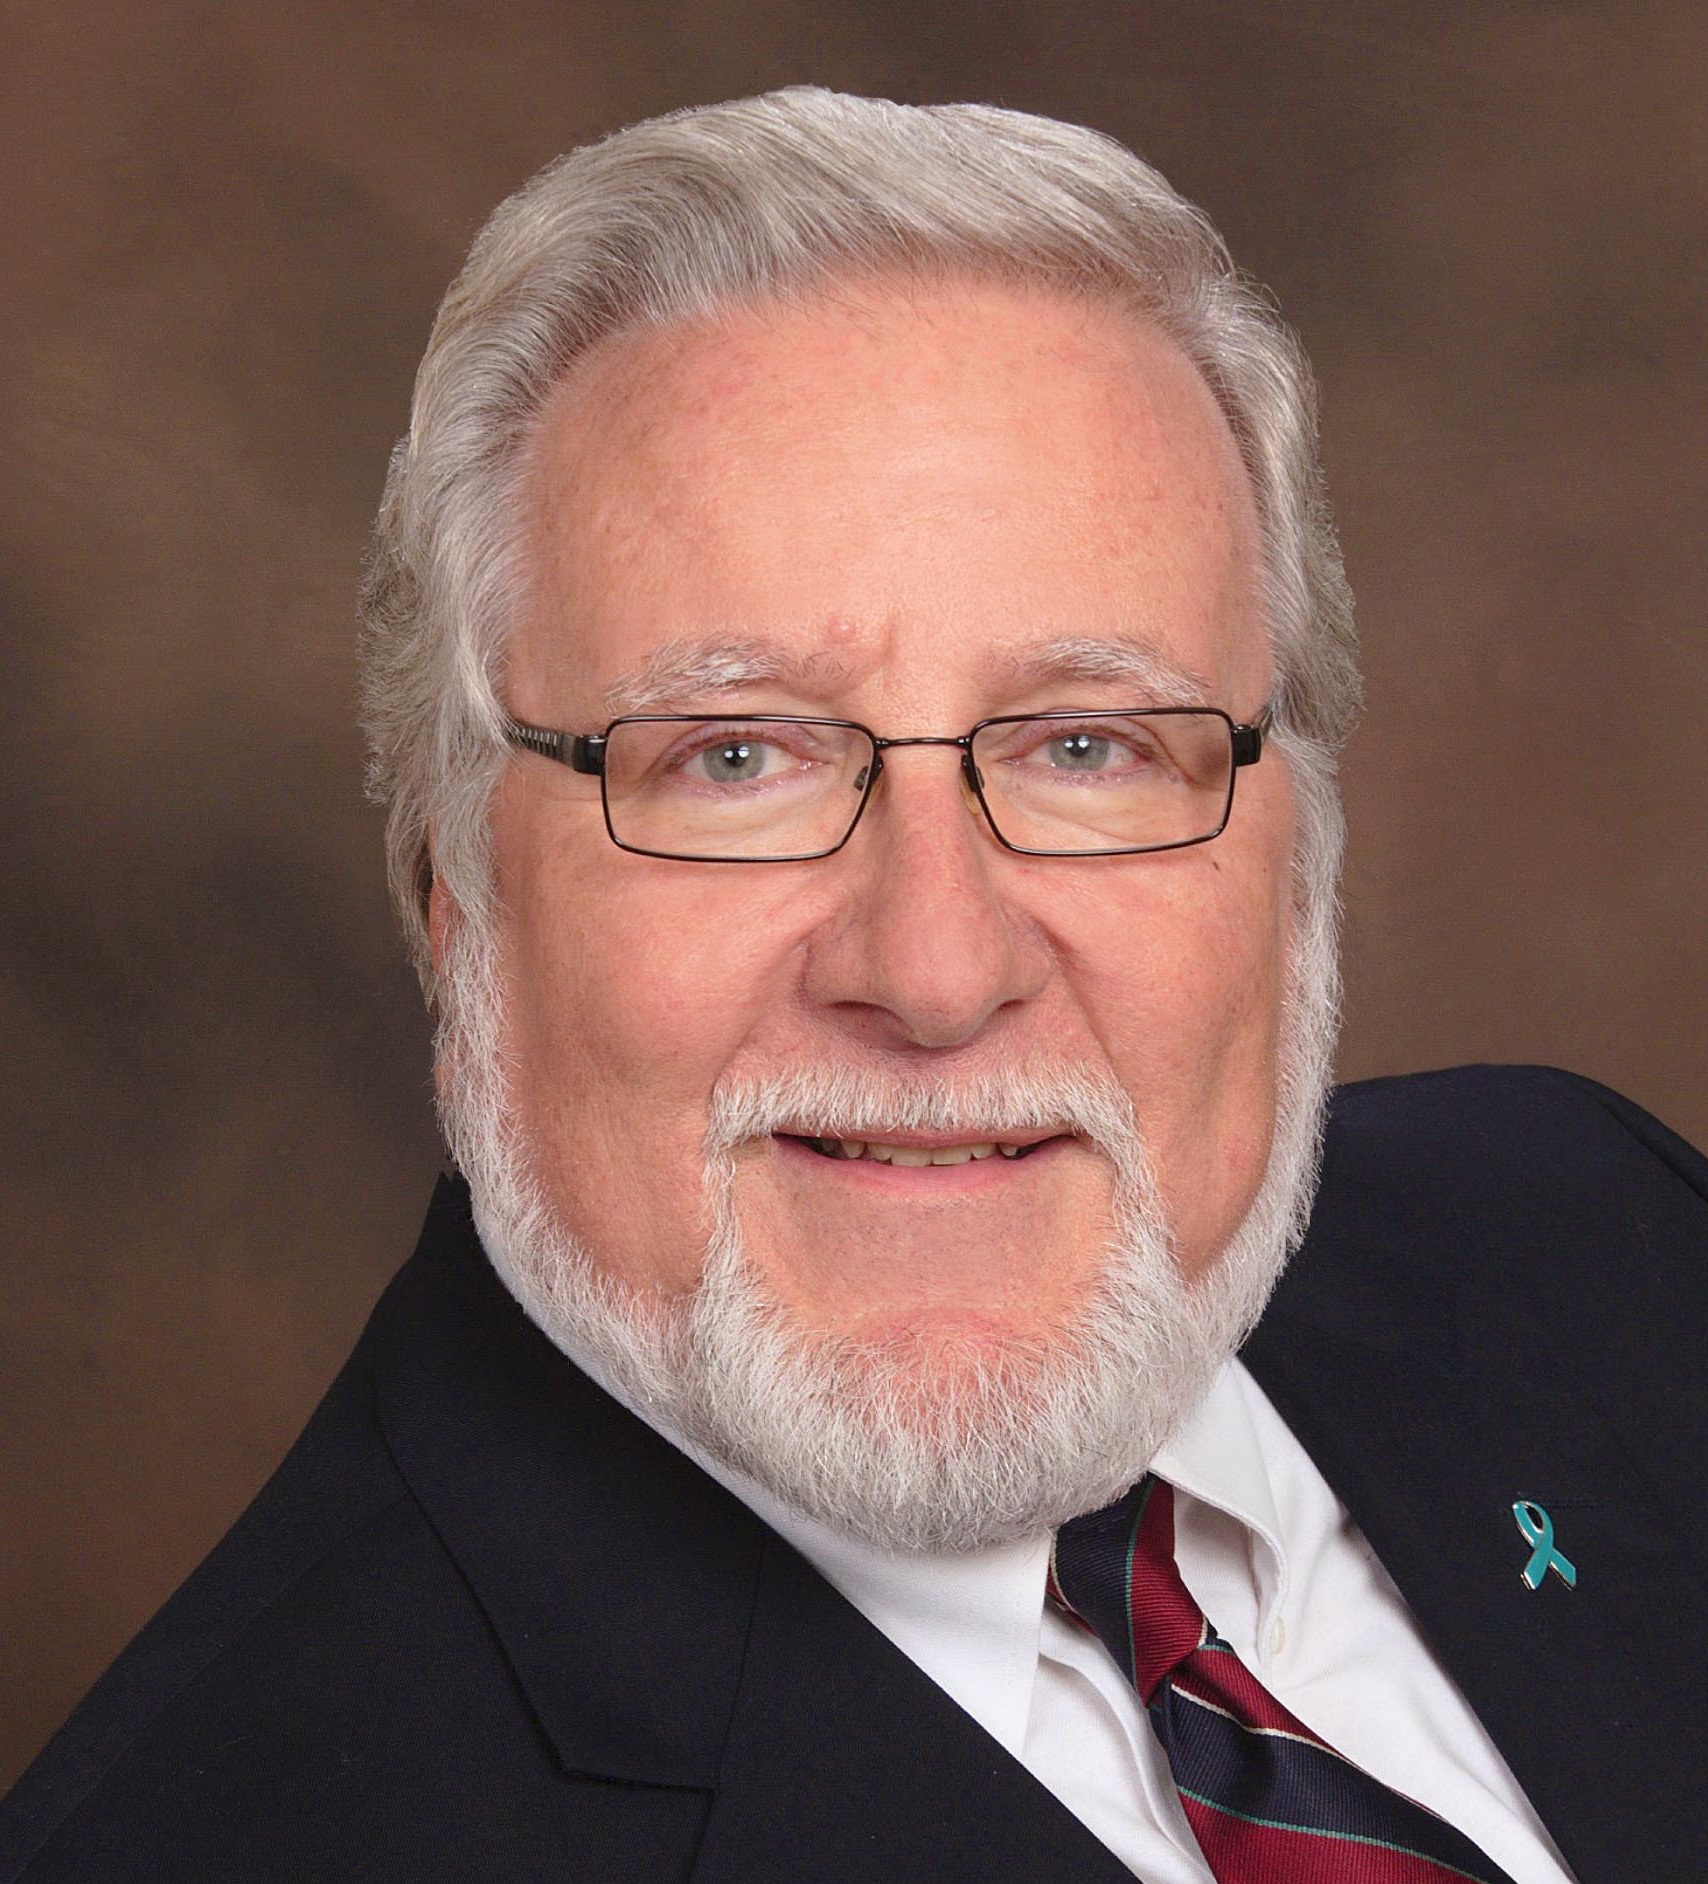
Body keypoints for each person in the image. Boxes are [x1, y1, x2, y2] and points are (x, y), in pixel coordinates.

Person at [2, 86, 1701, 1884]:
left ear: (1302, 858)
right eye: (735, 759)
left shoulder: (1599, 1244)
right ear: (456, 899)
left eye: (1089, 745)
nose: (937, 971)